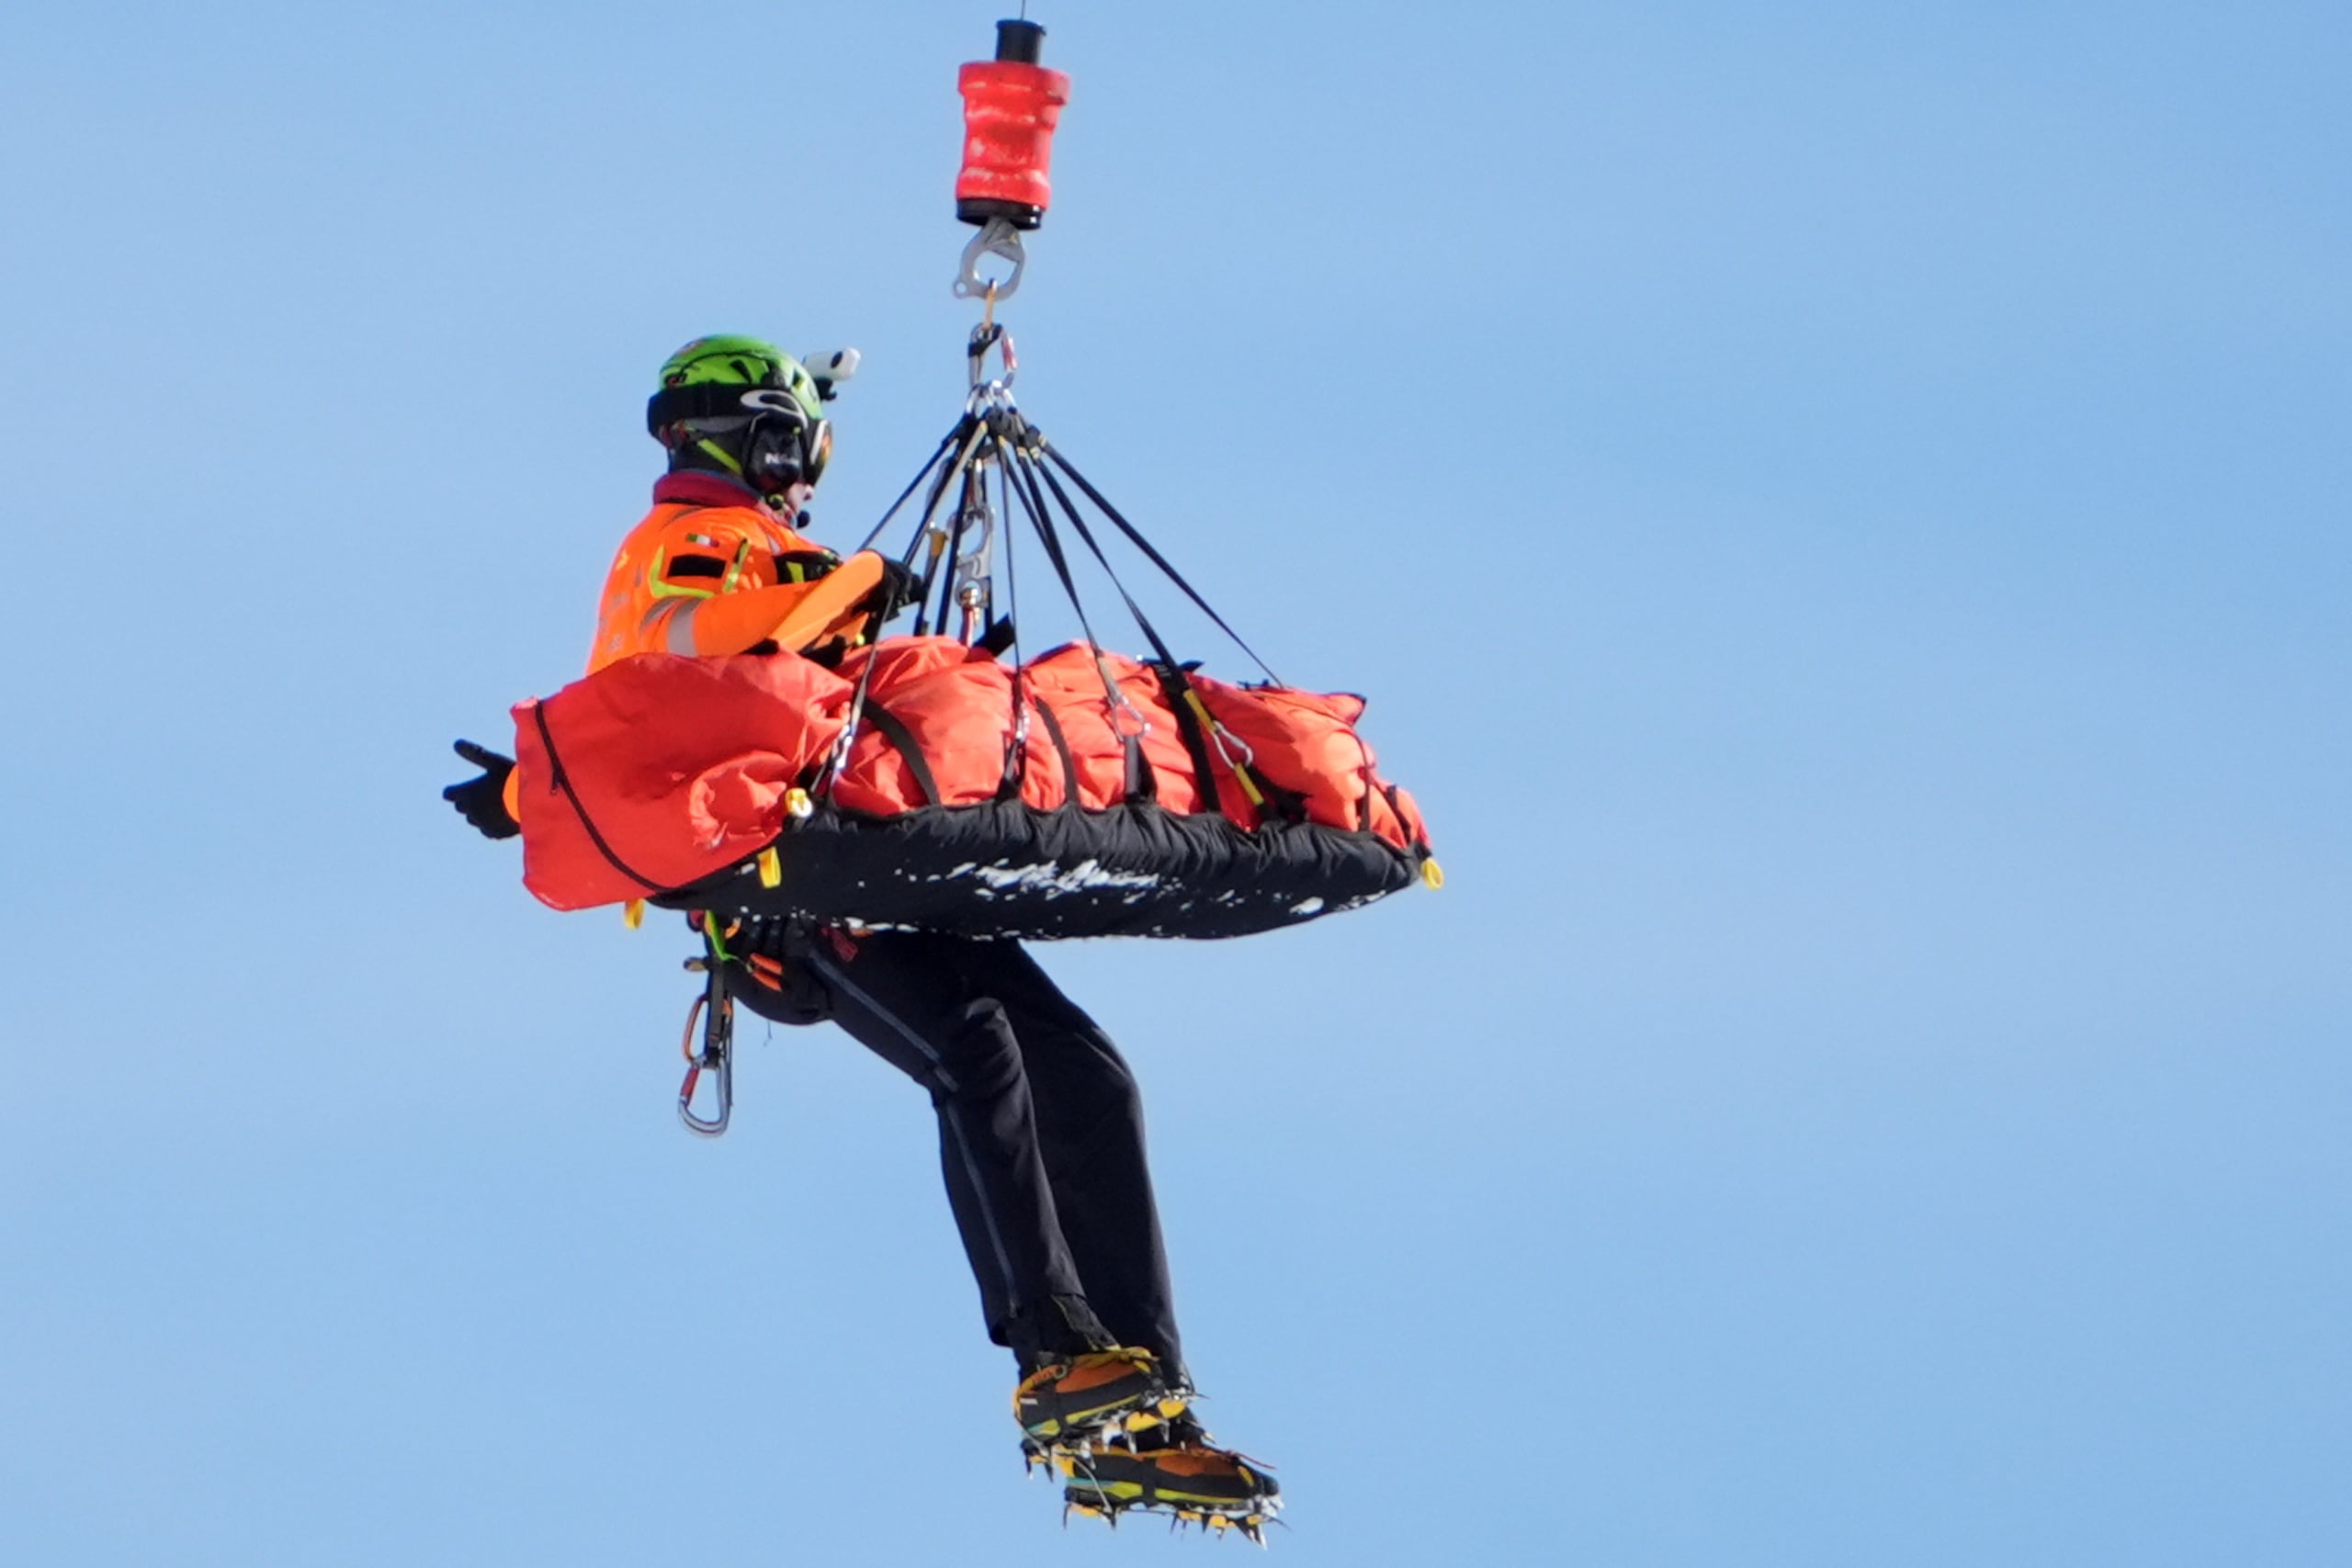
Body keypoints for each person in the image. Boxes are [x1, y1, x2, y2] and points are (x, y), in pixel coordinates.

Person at [445, 335, 1278, 1529]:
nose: (805, 474)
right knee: (974, 1049)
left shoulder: (771, 547)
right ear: (753, 438)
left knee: (1089, 1075)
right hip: (778, 877)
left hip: (869, 858)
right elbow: (692, 638)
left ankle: (1147, 1398)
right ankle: (1057, 1356)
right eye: (793, 445)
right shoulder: (699, 536)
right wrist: (846, 591)